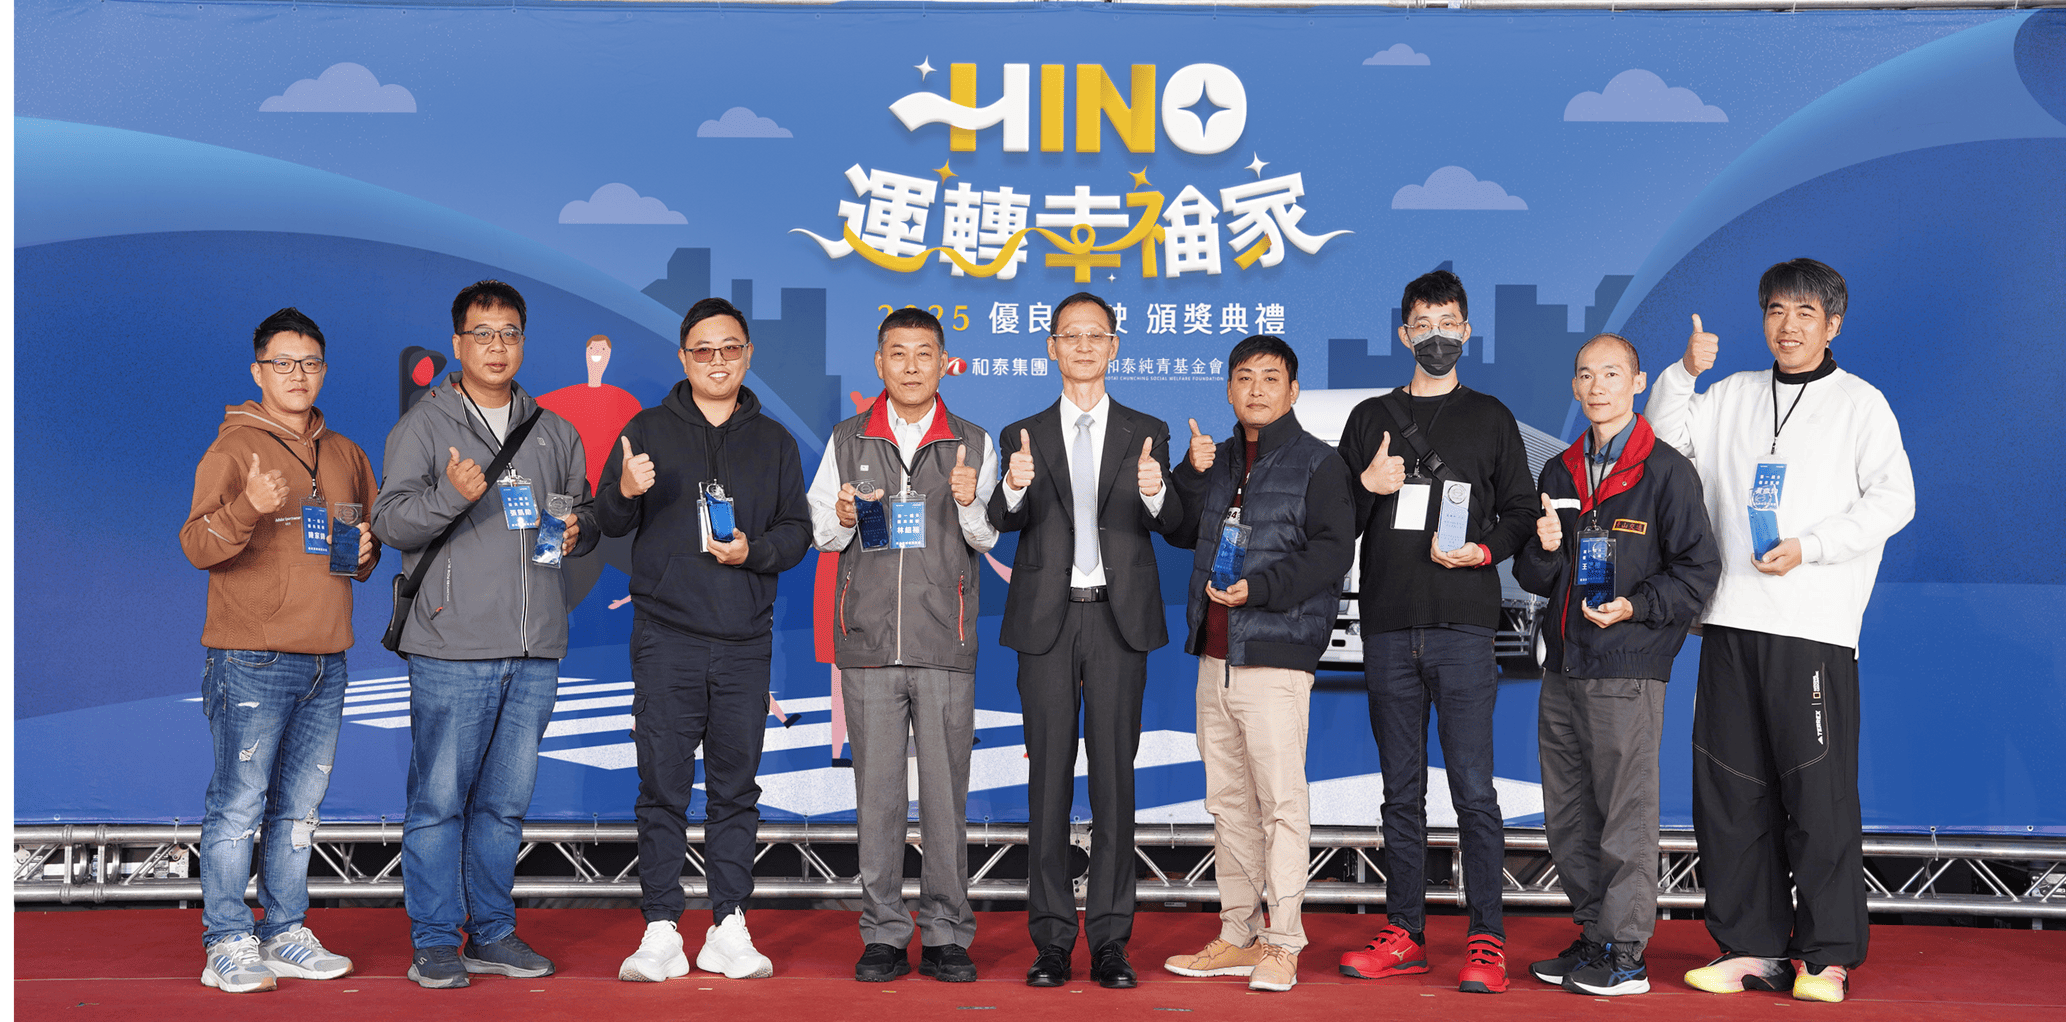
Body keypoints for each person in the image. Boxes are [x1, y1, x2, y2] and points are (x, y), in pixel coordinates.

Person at [1647, 259, 1914, 1004]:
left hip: (1812, 625)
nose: (1787, 326)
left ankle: (1825, 956)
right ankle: (1750, 946)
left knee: (1817, 795)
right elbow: (1666, 441)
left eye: (1804, 312)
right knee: (1730, 794)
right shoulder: (1733, 394)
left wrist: (1812, 546)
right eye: (1775, 311)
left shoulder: (1860, 404)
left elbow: (1895, 499)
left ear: (1833, 325)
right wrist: (1683, 373)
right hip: (1730, 619)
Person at [372, 280, 597, 990]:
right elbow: (389, 521)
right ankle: (436, 939)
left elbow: (582, 512)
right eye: (482, 334)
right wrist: (452, 496)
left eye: (509, 334)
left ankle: (493, 931)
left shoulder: (556, 431)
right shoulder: (424, 425)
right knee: (439, 802)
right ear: (458, 343)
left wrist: (580, 528)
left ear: (523, 342)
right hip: (452, 646)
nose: (497, 347)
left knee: (504, 806)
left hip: (534, 649)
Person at [599, 296, 812, 984]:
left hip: (746, 641)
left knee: (735, 789)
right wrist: (625, 489)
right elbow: (606, 521)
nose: (717, 361)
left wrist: (754, 551)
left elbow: (797, 533)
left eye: (730, 349)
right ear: (684, 357)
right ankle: (661, 926)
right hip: (667, 638)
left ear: (747, 355)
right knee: (662, 786)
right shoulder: (646, 429)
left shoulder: (774, 441)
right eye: (703, 350)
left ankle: (729, 925)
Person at [1335, 269, 1536, 993]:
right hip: (1389, 626)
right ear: (1404, 334)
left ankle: (1487, 938)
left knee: (1475, 790)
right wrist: (1367, 486)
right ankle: (1405, 932)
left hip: (1464, 628)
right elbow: (1334, 520)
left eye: (1448, 323)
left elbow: (1520, 510)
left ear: (1467, 331)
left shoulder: (1491, 417)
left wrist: (1484, 551)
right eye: (1423, 325)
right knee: (1400, 791)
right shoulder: (1369, 418)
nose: (1436, 336)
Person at [1512, 334, 1720, 997]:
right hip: (1564, 665)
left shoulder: (1665, 471)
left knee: (1624, 815)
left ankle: (1626, 954)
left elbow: (1698, 571)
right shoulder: (1559, 471)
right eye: (1585, 374)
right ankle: (1594, 935)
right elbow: (1535, 575)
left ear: (1637, 383)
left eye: (1611, 373)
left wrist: (1635, 606)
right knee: (1569, 814)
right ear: (1575, 387)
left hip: (1626, 667)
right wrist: (1545, 549)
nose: (1596, 385)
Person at [180, 307, 379, 993]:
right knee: (239, 805)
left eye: (311, 363)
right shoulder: (233, 449)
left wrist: (365, 554)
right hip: (251, 658)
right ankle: (226, 941)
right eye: (283, 363)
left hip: (328, 655)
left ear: (324, 370)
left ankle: (285, 930)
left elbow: (357, 552)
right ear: (258, 371)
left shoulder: (345, 452)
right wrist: (248, 507)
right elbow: (197, 545)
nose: (299, 375)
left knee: (300, 809)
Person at [989, 291, 1184, 989]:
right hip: (1046, 620)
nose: (1082, 346)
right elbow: (1001, 518)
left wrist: (1157, 490)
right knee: (1046, 780)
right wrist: (1013, 487)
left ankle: (1109, 941)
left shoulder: (1146, 430)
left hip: (1116, 620)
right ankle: (1050, 940)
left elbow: (1174, 522)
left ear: (1114, 347)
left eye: (1094, 335)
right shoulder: (1022, 433)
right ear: (1051, 347)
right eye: (1069, 335)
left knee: (1114, 782)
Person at [805, 307, 1000, 984]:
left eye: (924, 354)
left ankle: (946, 932)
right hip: (868, 645)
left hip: (945, 641)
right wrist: (841, 515)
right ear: (879, 362)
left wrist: (970, 501)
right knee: (878, 799)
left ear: (945, 363)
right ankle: (884, 932)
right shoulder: (847, 438)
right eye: (898, 353)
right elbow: (822, 535)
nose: (911, 366)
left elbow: (986, 537)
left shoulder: (972, 441)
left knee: (947, 800)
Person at [1160, 335, 1355, 993]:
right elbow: (1179, 529)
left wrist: (1261, 589)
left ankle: (1284, 941)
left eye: (1271, 378)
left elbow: (1332, 552)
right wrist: (1190, 472)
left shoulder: (1320, 463)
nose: (1256, 389)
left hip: (1275, 657)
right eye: (1244, 377)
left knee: (1280, 804)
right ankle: (1238, 934)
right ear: (1228, 389)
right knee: (1228, 804)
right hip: (1214, 657)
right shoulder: (1216, 460)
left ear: (1293, 390)